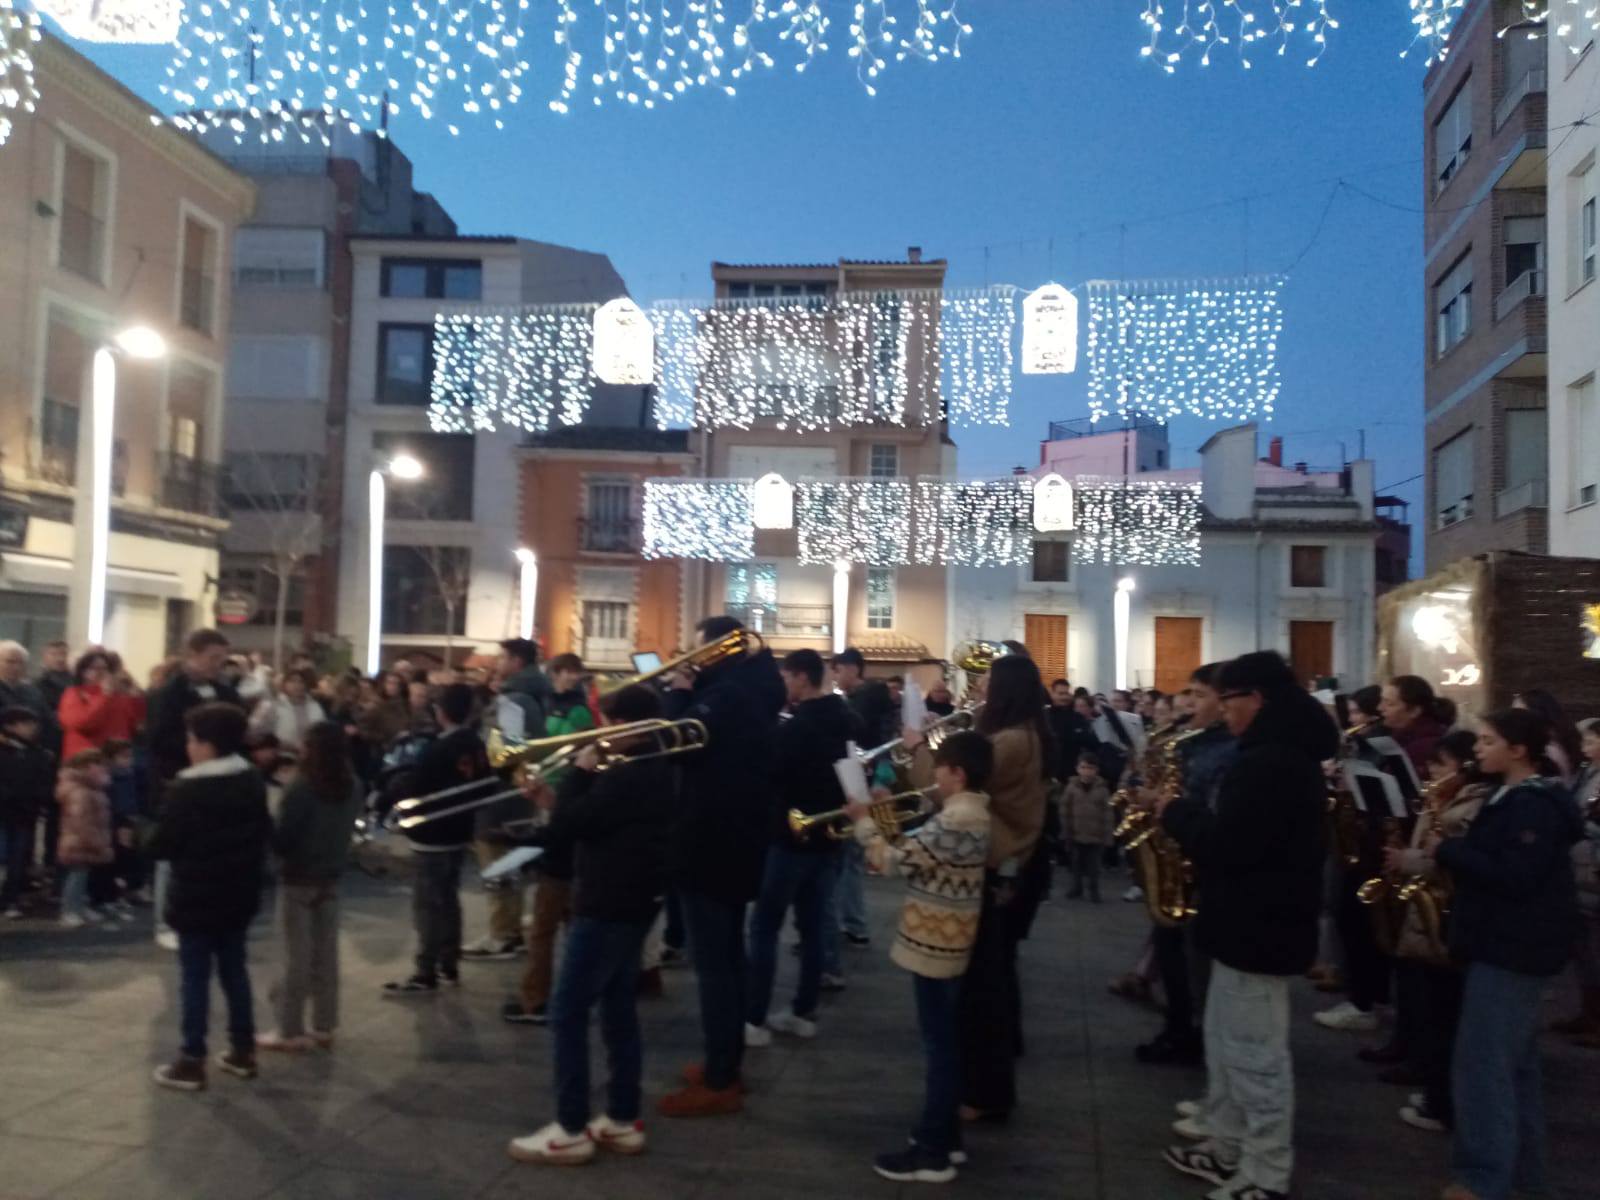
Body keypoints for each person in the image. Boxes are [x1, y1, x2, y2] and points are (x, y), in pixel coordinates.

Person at [1158, 651, 1336, 1200]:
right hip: (1247, 922)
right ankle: (1228, 1145)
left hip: (1258, 925)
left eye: (1229, 701)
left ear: (1255, 699)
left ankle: (1266, 1172)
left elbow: (1230, 845)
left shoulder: (1270, 764)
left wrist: (1175, 814)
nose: (1223, 714)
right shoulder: (1274, 757)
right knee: (1230, 1043)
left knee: (1257, 1059)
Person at [504, 685, 675, 1165]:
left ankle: (571, 1127)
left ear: (626, 725)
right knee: (618, 1007)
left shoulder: (627, 775)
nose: (602, 734)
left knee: (567, 1012)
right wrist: (552, 795)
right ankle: (621, 1119)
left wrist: (577, 777)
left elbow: (573, 825)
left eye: (608, 723)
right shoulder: (655, 768)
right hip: (635, 900)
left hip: (607, 902)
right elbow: (590, 819)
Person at [1435, 708, 1580, 1200]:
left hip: (1513, 947)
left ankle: (1482, 1179)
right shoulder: (1513, 798)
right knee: (1514, 1068)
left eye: (1487, 741)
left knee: (1483, 1067)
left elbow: (1516, 876)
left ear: (1518, 751)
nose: (1477, 749)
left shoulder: (1530, 807)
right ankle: (1523, 1176)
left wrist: (1449, 851)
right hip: (1511, 944)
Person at [846, 729, 993, 1184]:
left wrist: (864, 822)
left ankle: (932, 1151)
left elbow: (894, 862)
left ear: (957, 773)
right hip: (945, 939)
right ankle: (945, 1139)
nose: (936, 780)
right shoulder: (965, 812)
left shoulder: (959, 818)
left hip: (938, 944)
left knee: (940, 1048)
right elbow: (924, 851)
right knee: (943, 1043)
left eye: (941, 771)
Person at [907, 653, 1048, 1123]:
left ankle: (982, 1092)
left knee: (980, 989)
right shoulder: (1023, 734)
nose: (979, 689)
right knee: (992, 980)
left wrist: (922, 748)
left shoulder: (1008, 741)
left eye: (986, 682)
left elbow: (947, 786)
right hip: (1009, 862)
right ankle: (989, 1082)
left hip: (990, 864)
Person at [657, 616, 784, 1118]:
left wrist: (678, 693)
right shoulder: (752, 688)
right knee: (729, 957)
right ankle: (725, 1061)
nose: (689, 660)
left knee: (715, 965)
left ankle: (719, 1076)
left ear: (716, 650)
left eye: (697, 652)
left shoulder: (725, 698)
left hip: (709, 841)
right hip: (738, 840)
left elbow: (676, 745)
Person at [147, 703, 273, 1090]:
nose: (188, 746)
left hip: (197, 895)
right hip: (238, 892)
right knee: (234, 970)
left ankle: (192, 1057)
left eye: (192, 739)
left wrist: (138, 837)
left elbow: (163, 844)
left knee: (195, 977)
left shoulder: (188, 789)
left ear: (207, 745)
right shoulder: (251, 779)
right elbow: (264, 831)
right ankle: (241, 1049)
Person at [744, 648, 854, 1046]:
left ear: (802, 678)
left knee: (764, 928)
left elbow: (772, 778)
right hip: (827, 841)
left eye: (788, 677)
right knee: (811, 930)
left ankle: (754, 1019)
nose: (785, 685)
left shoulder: (794, 727)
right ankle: (803, 1012)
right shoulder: (845, 718)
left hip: (789, 839)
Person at [1383, 730, 1488, 1134]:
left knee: (1446, 1013)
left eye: (1440, 766)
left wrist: (1410, 859)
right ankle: (1434, 1086)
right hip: (1431, 916)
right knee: (1432, 1006)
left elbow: (1446, 859)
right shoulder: (1449, 797)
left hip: (1447, 916)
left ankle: (1442, 1099)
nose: (1431, 772)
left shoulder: (1474, 803)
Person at [1136, 663, 1239, 1067]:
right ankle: (1179, 1024)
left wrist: (1166, 804)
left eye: (1199, 695)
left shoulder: (1226, 749)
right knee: (1171, 949)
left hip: (1198, 859)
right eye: (1187, 694)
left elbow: (1208, 806)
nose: (1187, 703)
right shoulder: (1188, 740)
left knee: (1193, 959)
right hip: (1178, 851)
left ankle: (1193, 1032)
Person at [257, 721, 365, 1052]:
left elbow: (284, 838)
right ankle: (324, 1024)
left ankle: (288, 1028)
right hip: (331, 877)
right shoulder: (353, 785)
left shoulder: (302, 788)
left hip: (298, 878)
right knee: (326, 955)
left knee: (294, 957)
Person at [502, 653, 596, 1013]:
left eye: (575, 672)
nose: (571, 678)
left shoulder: (579, 712)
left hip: (563, 803)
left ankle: (537, 998)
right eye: (566, 672)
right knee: (560, 918)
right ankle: (561, 994)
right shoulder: (546, 705)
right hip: (551, 796)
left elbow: (565, 748)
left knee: (548, 921)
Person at [384, 683, 488, 996]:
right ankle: (449, 962)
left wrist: (394, 789)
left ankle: (425, 970)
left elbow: (418, 786)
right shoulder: (476, 744)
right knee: (449, 898)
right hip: (459, 832)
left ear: (440, 712)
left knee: (427, 904)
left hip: (432, 834)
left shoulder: (439, 748)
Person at [145, 630, 243, 950]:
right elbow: (158, 739)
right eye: (213, 658)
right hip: (180, 780)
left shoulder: (225, 692)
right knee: (172, 856)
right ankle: (165, 921)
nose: (219, 665)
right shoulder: (168, 694)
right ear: (193, 654)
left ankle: (211, 916)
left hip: (221, 782)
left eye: (222, 659)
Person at [832, 648, 894, 950]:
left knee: (850, 855)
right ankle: (851, 922)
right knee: (849, 857)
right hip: (861, 777)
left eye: (838, 669)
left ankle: (852, 924)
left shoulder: (868, 697)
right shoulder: (861, 698)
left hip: (861, 780)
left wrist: (882, 776)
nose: (836, 676)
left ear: (853, 669)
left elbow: (879, 739)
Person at [1551, 718, 1600, 1045]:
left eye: (1590, 740)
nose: (1584, 746)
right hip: (1582, 865)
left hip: (1594, 864)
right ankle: (1588, 1012)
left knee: (1596, 949)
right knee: (1584, 949)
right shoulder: (1588, 772)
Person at [0, 706, 53, 918]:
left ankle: (10, 899)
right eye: (26, 724)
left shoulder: (36, 752)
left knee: (17, 859)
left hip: (24, 813)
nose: (32, 728)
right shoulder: (4, 751)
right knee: (3, 858)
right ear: (10, 726)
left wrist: (40, 798)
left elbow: (43, 780)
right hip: (4, 811)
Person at [55, 749, 114, 928]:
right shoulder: (80, 792)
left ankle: (79, 906)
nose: (104, 769)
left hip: (84, 839)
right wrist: (96, 842)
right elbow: (80, 821)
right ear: (88, 767)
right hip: (79, 841)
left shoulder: (90, 788)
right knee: (76, 877)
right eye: (99, 765)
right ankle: (69, 910)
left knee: (84, 876)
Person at [1062, 752, 1111, 902]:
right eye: (1083, 767)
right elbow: (1065, 810)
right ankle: (1076, 888)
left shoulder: (1102, 789)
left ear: (1096, 770)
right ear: (1077, 768)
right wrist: (1066, 831)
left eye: (1090, 768)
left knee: (1094, 867)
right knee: (1076, 864)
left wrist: (1108, 836)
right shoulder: (1071, 788)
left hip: (1096, 835)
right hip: (1076, 833)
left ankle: (1094, 890)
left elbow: (1108, 814)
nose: (1086, 771)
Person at [1512, 688, 1583, 786]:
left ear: (1537, 714)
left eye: (1518, 714)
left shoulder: (1547, 751)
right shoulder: (1555, 741)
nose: (1512, 720)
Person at [250, 667, 327, 753]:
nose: (297, 685)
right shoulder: (271, 705)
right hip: (280, 756)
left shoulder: (315, 707)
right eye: (292, 681)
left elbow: (322, 732)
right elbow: (254, 733)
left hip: (311, 756)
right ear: (284, 684)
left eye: (301, 682)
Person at [34, 640, 72, 716]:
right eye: (54, 654)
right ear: (45, 657)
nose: (60, 659)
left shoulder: (77, 680)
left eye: (63, 654)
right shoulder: (37, 683)